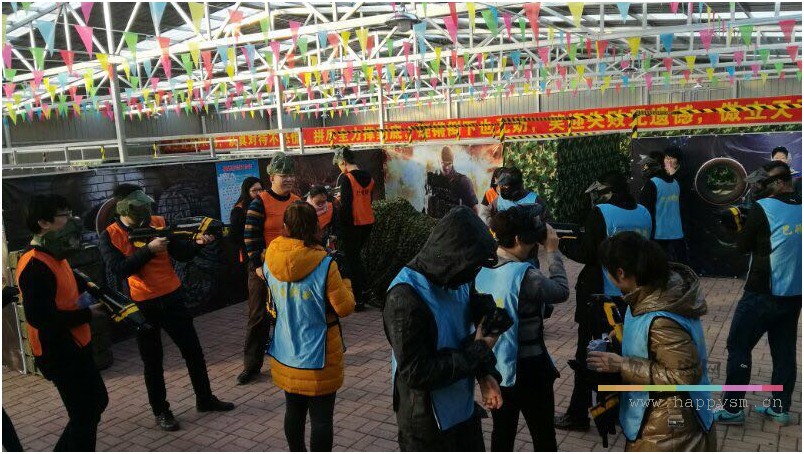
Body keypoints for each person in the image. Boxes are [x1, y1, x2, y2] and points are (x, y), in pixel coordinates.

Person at [100, 184, 234, 431]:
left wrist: (199, 243)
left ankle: (205, 398)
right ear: (123, 209)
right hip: (143, 305)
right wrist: (149, 251)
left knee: (193, 352)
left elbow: (180, 253)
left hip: (172, 298)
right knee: (153, 362)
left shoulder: (158, 222)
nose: (146, 213)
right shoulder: (110, 235)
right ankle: (161, 411)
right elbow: (119, 269)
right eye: (139, 208)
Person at [384, 206, 503, 451]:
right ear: (452, 255)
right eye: (472, 267)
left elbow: (476, 314)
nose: (473, 274)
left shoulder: (457, 277)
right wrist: (479, 351)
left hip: (462, 410)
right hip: (426, 424)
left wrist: (485, 373)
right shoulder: (405, 298)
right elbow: (416, 372)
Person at [588, 231, 716, 451]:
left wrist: (622, 365)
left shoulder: (662, 319)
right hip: (657, 415)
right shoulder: (652, 291)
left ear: (620, 273)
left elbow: (684, 376)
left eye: (607, 271)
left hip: (670, 428)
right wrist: (625, 337)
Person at [555, 171, 651, 431]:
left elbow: (588, 254)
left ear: (606, 192)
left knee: (588, 354)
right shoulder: (643, 212)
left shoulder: (601, 212)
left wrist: (560, 244)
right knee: (625, 352)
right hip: (633, 297)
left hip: (600, 299)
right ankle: (620, 411)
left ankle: (578, 415)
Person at [15, 194, 108, 451]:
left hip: (77, 343)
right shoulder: (34, 264)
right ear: (44, 222)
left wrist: (91, 288)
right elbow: (39, 318)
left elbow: (71, 284)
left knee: (95, 404)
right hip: (59, 351)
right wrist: (89, 314)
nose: (71, 220)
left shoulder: (55, 252)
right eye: (64, 215)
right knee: (84, 413)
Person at [714, 161, 802, 426]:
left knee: (739, 346)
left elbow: (742, 246)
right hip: (794, 294)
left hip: (761, 292)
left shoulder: (763, 208)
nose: (758, 189)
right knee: (784, 352)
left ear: (779, 183)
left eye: (762, 184)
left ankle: (732, 409)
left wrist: (738, 226)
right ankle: (780, 408)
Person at [475, 207, 569, 451]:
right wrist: (553, 251)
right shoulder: (525, 275)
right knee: (543, 434)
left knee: (502, 433)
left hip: (497, 367)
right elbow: (561, 291)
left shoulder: (482, 268)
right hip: (531, 368)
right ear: (518, 239)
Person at [264, 202, 355, 452]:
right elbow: (345, 308)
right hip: (320, 355)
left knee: (293, 412)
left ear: (285, 227)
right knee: (321, 419)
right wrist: (346, 279)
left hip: (286, 351)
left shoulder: (270, 258)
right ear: (316, 227)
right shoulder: (326, 264)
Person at [242, 152, 300, 383]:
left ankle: (292, 358)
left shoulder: (297, 201)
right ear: (272, 177)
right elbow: (250, 235)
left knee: (290, 314)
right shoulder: (260, 202)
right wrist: (257, 265)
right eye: (283, 175)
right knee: (258, 316)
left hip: (291, 267)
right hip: (263, 269)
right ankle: (252, 365)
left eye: (291, 175)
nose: (288, 179)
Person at [229, 177, 267, 385]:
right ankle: (251, 365)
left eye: (261, 189)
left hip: (275, 260)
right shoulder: (239, 210)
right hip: (254, 263)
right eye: (254, 191)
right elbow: (235, 237)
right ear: (246, 192)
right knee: (257, 313)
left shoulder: (267, 204)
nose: (258, 194)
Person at [333, 147, 375, 311]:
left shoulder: (347, 179)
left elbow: (346, 208)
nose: (339, 168)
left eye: (339, 165)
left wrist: (340, 228)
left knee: (352, 261)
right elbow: (367, 201)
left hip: (352, 225)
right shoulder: (370, 178)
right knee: (357, 259)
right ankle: (365, 291)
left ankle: (358, 299)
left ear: (343, 162)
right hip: (367, 223)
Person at [639, 150, 688, 264]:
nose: (644, 167)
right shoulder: (675, 182)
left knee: (657, 268)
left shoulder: (652, 184)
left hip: (658, 235)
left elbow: (645, 211)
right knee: (681, 268)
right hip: (676, 233)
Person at [425, 146, 480, 217]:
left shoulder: (463, 181)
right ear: (438, 162)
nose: (446, 167)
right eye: (443, 163)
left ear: (453, 162)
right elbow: (426, 205)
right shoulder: (431, 179)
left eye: (449, 163)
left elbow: (474, 210)